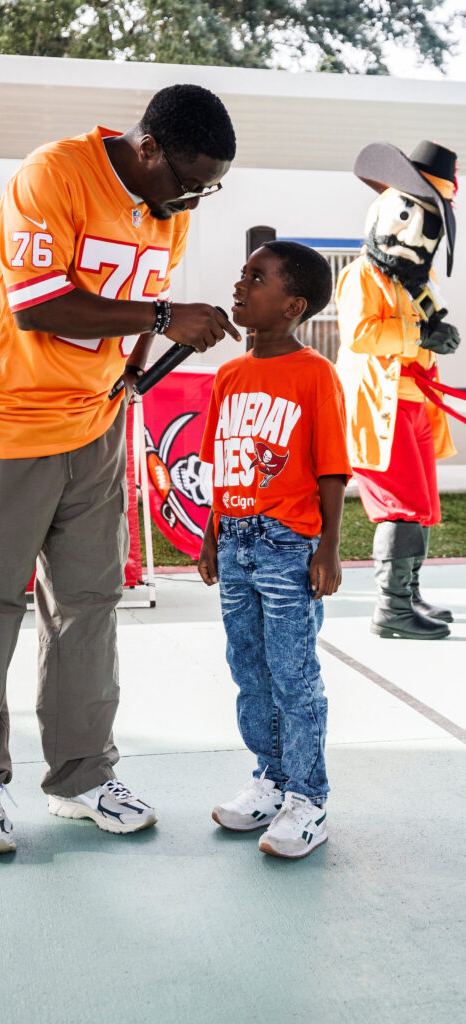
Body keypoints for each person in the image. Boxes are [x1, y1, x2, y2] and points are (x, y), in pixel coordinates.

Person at [0, 84, 238, 857]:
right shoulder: (52, 175)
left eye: (209, 185)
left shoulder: (168, 207)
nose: (195, 196)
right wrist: (166, 321)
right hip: (3, 427)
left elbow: (140, 295)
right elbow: (38, 306)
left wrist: (132, 372)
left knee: (87, 608)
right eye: (188, 178)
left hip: (94, 427)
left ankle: (81, 776)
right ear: (146, 150)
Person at [198, 241, 351, 860]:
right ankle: (271, 778)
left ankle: (308, 800)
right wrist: (211, 536)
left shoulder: (316, 374)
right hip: (234, 540)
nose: (241, 286)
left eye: (256, 278)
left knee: (294, 675)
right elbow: (219, 463)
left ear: (292, 304)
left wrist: (329, 548)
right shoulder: (229, 375)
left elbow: (332, 470)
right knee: (248, 669)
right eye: (241, 275)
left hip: (289, 546)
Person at [335, 141, 460, 640]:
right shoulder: (361, 275)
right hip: (379, 408)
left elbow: (426, 327)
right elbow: (361, 334)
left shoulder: (414, 281)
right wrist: (418, 336)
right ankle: (391, 608)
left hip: (414, 405)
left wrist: (439, 336)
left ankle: (408, 593)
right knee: (400, 504)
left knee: (423, 502)